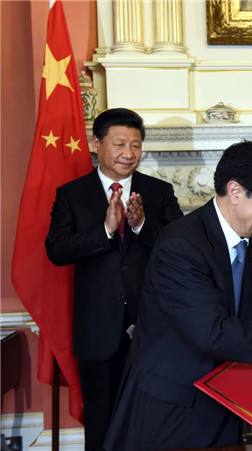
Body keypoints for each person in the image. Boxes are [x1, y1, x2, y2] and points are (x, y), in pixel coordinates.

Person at [104, 140, 252, 450]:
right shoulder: (181, 244)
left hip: (222, 402)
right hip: (171, 409)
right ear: (236, 191)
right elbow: (212, 331)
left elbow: (240, 316)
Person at [45, 108, 183, 450]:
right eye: (119, 144)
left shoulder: (159, 192)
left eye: (136, 145)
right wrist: (106, 230)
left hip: (151, 326)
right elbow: (57, 250)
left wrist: (141, 225)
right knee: (101, 422)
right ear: (96, 144)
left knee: (151, 420)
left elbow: (181, 250)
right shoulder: (72, 194)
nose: (129, 153)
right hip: (97, 330)